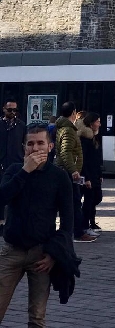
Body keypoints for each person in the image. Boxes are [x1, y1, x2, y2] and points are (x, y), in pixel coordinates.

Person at [0, 120, 78, 327]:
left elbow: (68, 222)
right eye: (31, 143)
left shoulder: (59, 177)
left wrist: (54, 254)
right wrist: (25, 171)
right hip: (12, 250)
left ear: (50, 146)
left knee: (37, 315)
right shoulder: (14, 170)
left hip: (41, 254)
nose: (35, 148)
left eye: (40, 143)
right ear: (24, 147)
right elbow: (2, 197)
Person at [55, 102, 97, 243]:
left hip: (67, 171)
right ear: (73, 112)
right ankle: (77, 233)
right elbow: (66, 152)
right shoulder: (68, 130)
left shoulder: (63, 128)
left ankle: (70, 232)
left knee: (71, 203)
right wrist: (74, 170)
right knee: (74, 203)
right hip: (68, 172)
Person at [0, 98, 26, 232]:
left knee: (16, 193)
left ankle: (14, 223)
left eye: (15, 110)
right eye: (9, 109)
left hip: (16, 162)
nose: (12, 112)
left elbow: (24, 143)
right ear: (4, 109)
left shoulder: (21, 125)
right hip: (1, 163)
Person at [80, 112, 103, 234]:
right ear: (91, 123)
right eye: (97, 121)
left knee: (97, 197)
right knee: (89, 200)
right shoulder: (85, 139)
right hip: (87, 174)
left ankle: (90, 222)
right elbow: (84, 160)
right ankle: (85, 225)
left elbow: (96, 158)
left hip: (95, 174)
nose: (99, 124)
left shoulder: (95, 137)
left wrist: (100, 174)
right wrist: (86, 177)